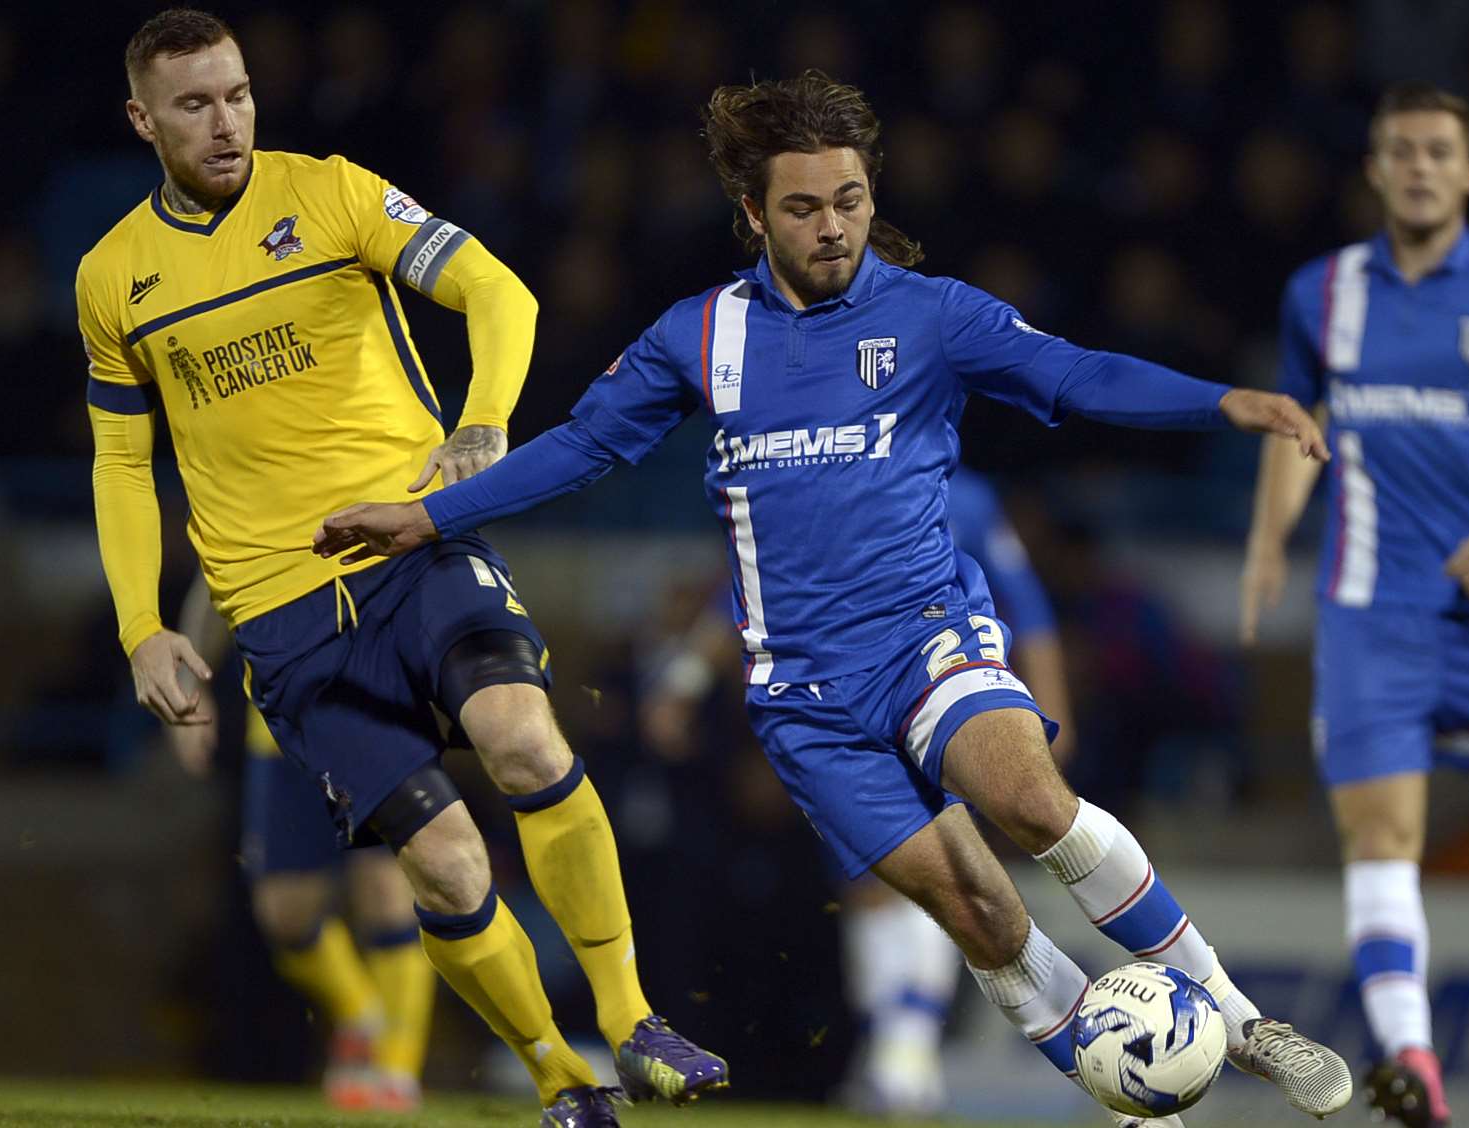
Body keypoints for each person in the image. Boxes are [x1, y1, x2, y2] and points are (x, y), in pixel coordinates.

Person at [314, 71, 1352, 1128]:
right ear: (754, 214)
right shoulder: (699, 335)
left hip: (923, 638)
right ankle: (1136, 1085)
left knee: (1029, 801)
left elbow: (1077, 375)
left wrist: (1226, 403)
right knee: (978, 915)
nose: (832, 226)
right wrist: (430, 518)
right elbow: (587, 448)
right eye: (803, 207)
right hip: (802, 697)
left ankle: (1236, 1016)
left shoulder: (932, 315)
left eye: (848, 200)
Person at [78, 11, 724, 1125]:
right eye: (194, 104)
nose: (225, 120)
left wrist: (480, 425)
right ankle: (561, 1083)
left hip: (411, 544)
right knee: (443, 866)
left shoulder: (333, 192)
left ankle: (629, 1020)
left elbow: (498, 293)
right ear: (142, 119)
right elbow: (123, 460)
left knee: (523, 738)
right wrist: (144, 624)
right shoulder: (112, 277)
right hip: (278, 615)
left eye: (236, 93)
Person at [1238, 83, 1469, 1128]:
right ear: (1371, 166)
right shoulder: (1319, 293)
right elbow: (1301, 423)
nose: (1416, 166)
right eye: (1398, 149)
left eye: (1437, 151)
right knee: (1379, 838)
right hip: (1368, 614)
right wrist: (1267, 542)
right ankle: (1415, 1070)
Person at [639, 464, 1075, 1117]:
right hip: (843, 697)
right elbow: (749, 589)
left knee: (933, 864)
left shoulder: (967, 495)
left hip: (940, 692)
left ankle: (906, 1048)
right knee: (878, 876)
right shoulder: (815, 474)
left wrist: (1051, 705)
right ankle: (899, 1049)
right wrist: (685, 680)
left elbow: (1028, 605)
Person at [168, 571, 434, 1113]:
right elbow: (215, 583)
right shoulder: (255, 499)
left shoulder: (383, 488)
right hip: (280, 732)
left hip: (378, 719)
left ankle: (397, 1070)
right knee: (284, 913)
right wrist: (191, 688)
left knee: (389, 894)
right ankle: (362, 1012)